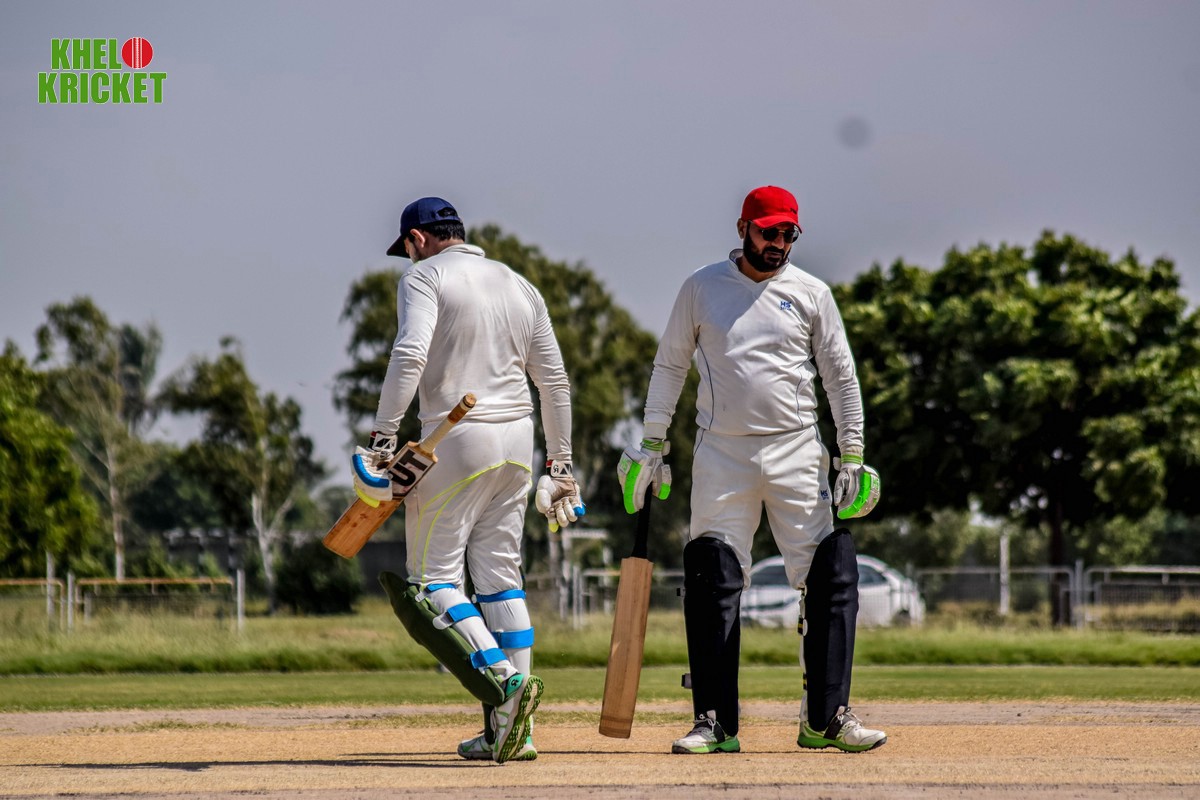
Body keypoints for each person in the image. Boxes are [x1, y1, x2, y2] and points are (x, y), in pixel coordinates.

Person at [617, 185, 884, 755]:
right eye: (769, 232)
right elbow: (669, 365)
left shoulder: (812, 293)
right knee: (711, 575)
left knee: (830, 575)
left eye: (789, 233)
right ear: (743, 228)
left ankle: (827, 719)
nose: (779, 243)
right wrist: (651, 444)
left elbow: (841, 377)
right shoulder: (701, 287)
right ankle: (714, 722)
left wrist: (854, 454)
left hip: (798, 450)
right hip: (722, 453)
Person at [355, 196, 584, 764]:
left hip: (456, 437)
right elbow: (554, 381)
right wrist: (561, 466)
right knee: (502, 581)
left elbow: (410, 353)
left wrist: (383, 440)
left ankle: (506, 684)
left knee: (432, 583)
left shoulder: (424, 277)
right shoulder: (519, 284)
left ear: (416, 240)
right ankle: (512, 732)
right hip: (519, 444)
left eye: (408, 250)